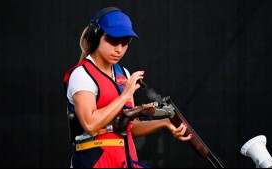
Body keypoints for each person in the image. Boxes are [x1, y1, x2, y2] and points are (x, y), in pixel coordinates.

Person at [63, 7, 192, 168]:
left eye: (125, 42)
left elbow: (130, 127)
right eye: (113, 39)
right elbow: (90, 125)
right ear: (95, 36)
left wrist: (165, 122)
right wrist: (124, 95)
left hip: (125, 160)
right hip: (95, 162)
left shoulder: (123, 73)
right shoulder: (81, 74)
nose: (119, 48)